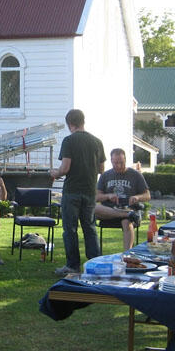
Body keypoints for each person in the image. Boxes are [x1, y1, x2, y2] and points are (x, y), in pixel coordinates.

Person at [49, 109, 105, 276]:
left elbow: (65, 168)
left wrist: (54, 173)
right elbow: (101, 168)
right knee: (90, 227)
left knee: (70, 229)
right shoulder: (97, 141)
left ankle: (73, 265)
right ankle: (95, 264)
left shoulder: (69, 141)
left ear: (70, 124)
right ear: (83, 121)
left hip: (72, 191)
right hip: (89, 191)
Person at [94, 148, 150, 250]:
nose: (118, 166)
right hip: (109, 211)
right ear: (111, 161)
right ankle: (127, 214)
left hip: (129, 208)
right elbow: (96, 197)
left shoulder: (135, 175)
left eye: (121, 162)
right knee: (92, 207)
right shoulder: (105, 175)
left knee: (126, 222)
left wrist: (137, 197)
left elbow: (147, 195)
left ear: (125, 160)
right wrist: (108, 196)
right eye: (115, 163)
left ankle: (127, 254)